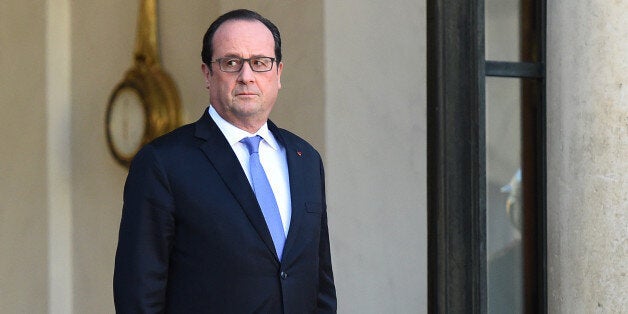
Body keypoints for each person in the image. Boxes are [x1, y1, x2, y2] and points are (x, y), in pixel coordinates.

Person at [113, 9, 336, 313]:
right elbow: (138, 296)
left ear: (278, 73)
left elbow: (320, 283)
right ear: (208, 74)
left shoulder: (305, 160)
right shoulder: (163, 163)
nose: (247, 76)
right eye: (231, 63)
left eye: (260, 63)